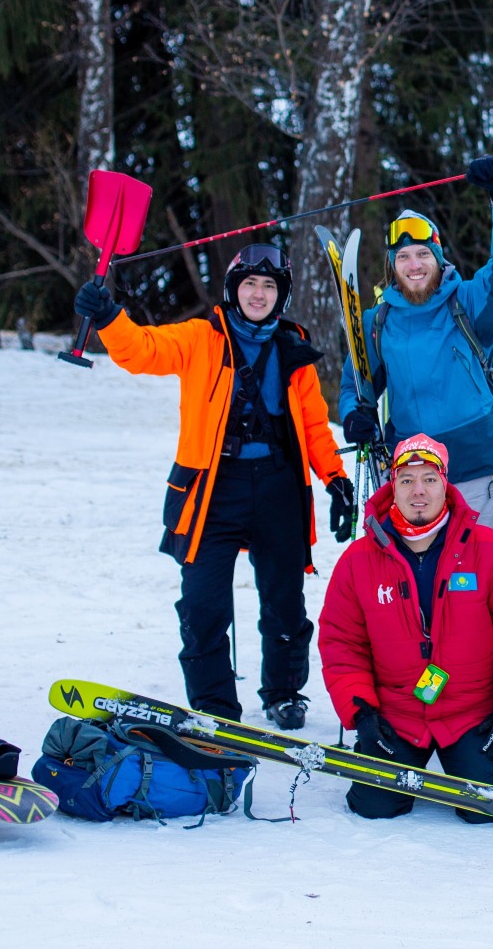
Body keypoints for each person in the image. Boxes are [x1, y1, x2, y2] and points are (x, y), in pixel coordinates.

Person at [74, 245, 354, 728]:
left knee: (286, 604)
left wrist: (335, 479)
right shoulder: (200, 338)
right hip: (211, 490)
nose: (259, 294)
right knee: (203, 603)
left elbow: (313, 426)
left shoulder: (294, 348)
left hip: (277, 488)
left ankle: (284, 692)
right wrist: (109, 317)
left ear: (281, 294)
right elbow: (143, 351)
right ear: (233, 289)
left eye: (269, 286)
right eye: (250, 284)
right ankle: (214, 705)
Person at [317, 433, 493, 822]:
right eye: (406, 480)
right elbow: (341, 644)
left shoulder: (490, 551)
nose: (417, 490)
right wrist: (363, 715)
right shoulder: (358, 560)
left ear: (445, 484)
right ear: (392, 486)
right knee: (374, 807)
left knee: (486, 812)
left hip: (471, 713)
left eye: (429, 479)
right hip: (398, 715)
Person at [338, 155, 493, 542]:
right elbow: (353, 385)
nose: (414, 265)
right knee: (426, 595)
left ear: (439, 260)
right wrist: (354, 414)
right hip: (416, 482)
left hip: (479, 472)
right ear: (392, 265)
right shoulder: (378, 323)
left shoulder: (469, 304)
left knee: (491, 584)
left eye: (424, 253)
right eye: (403, 256)